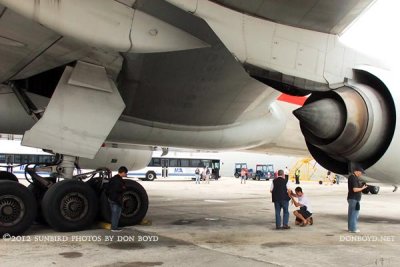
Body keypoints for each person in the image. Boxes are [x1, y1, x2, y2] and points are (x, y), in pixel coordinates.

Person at [347, 165, 368, 233]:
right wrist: (362, 188)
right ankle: (353, 229)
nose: (361, 174)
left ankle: (350, 228)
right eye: (361, 172)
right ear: (357, 171)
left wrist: (361, 186)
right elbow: (355, 189)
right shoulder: (353, 178)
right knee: (354, 214)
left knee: (351, 214)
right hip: (354, 199)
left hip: (352, 198)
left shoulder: (353, 177)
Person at [107, 166, 127, 232]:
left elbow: (107, 188)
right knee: (116, 215)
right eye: (125, 173)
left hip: (111, 198)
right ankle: (114, 228)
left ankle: (114, 226)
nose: (126, 174)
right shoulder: (119, 180)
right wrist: (123, 188)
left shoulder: (113, 178)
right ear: (123, 172)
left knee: (113, 214)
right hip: (116, 200)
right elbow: (118, 189)